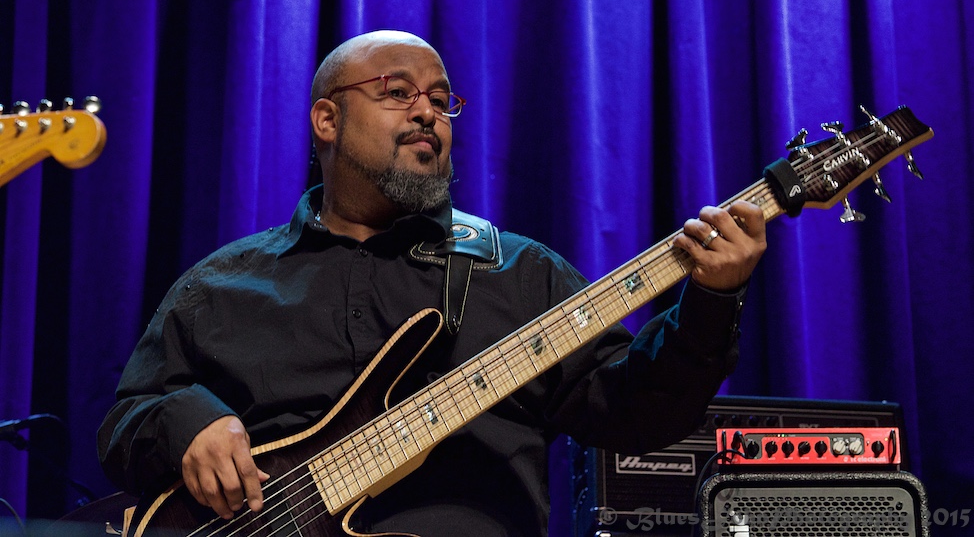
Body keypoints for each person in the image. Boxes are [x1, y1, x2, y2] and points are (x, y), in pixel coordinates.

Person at [97, 30, 767, 537]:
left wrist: (710, 300)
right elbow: (125, 425)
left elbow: (639, 415)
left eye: (442, 102)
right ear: (326, 120)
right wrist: (188, 423)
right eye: (398, 93)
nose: (428, 114)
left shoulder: (521, 274)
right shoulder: (224, 286)